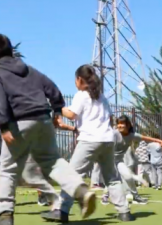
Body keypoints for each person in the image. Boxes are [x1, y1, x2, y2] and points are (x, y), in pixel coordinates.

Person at [0, 34, 95, 225]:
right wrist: (57, 110)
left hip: (19, 123)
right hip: (43, 119)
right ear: (11, 52)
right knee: (53, 161)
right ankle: (80, 190)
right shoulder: (29, 70)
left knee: (8, 169)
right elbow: (52, 88)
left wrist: (3, 126)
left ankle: (4, 215)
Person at [43, 64, 135, 222]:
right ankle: (124, 212)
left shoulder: (82, 95)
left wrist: (57, 106)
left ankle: (61, 210)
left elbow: (71, 114)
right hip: (107, 140)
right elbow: (109, 118)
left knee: (71, 176)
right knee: (112, 178)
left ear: (79, 79)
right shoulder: (101, 97)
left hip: (89, 140)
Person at [0, 104, 66, 209]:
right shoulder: (0, 114)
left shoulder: (0, 113)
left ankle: (56, 198)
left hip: (28, 148)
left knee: (30, 177)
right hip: (14, 149)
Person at [100, 115, 158, 205]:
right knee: (112, 180)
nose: (120, 125)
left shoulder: (132, 135)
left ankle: (136, 196)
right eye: (118, 123)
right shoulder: (114, 134)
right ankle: (105, 196)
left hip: (119, 161)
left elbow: (145, 138)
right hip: (108, 161)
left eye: (122, 123)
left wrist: (161, 142)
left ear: (128, 125)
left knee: (128, 177)